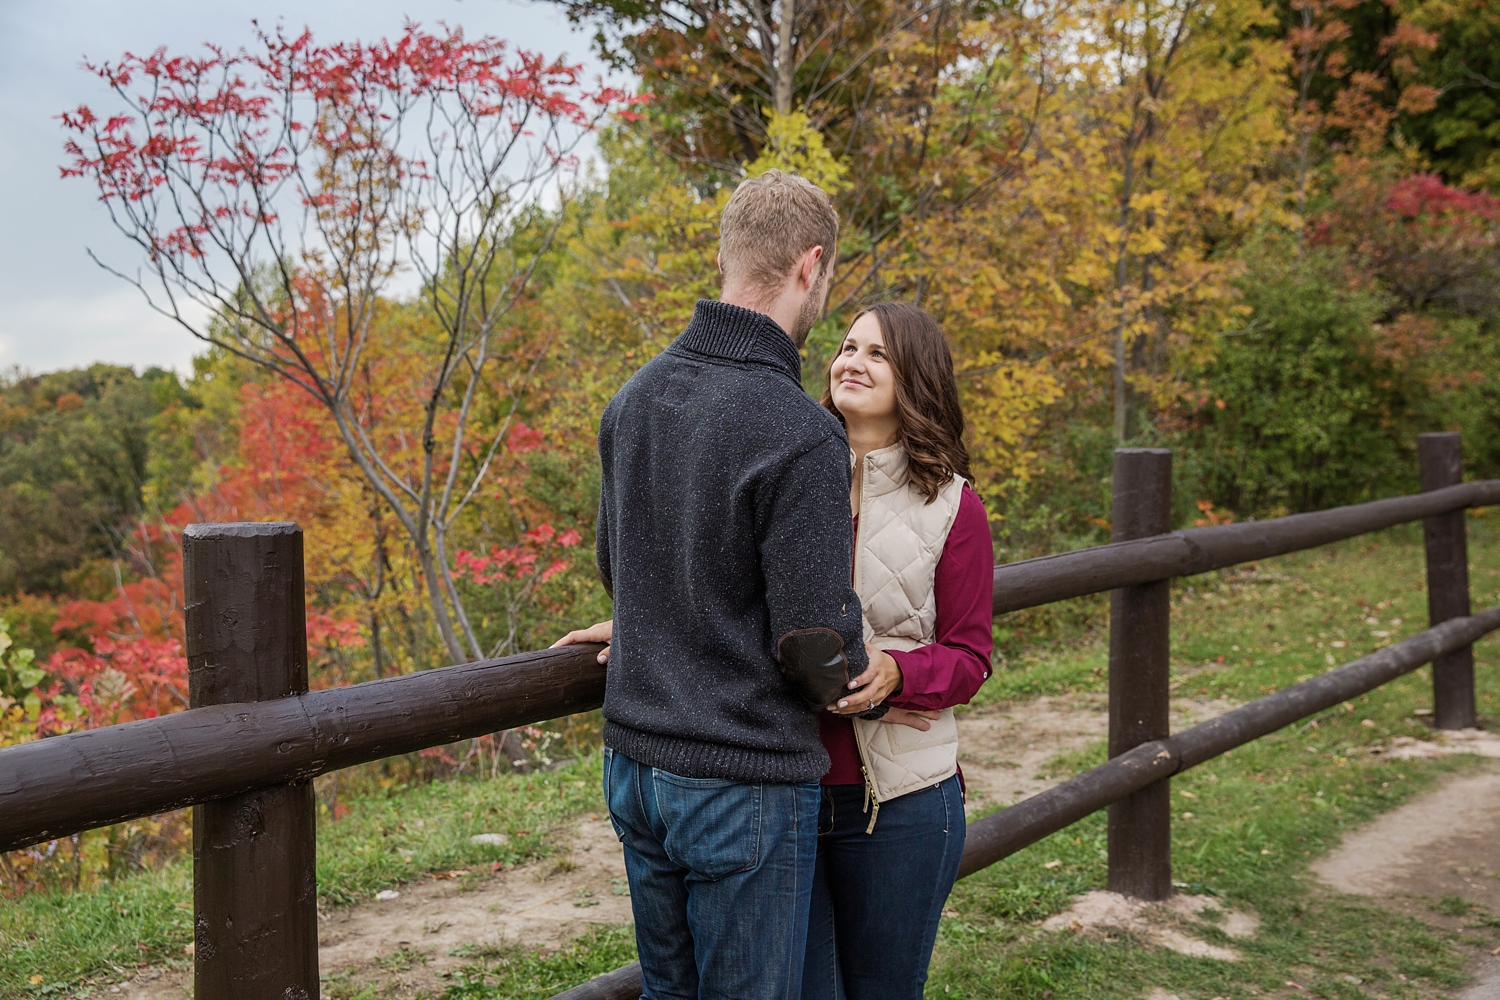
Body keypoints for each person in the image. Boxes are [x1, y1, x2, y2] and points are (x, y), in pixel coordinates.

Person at [552, 170, 889, 1000]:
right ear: (811, 266)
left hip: (636, 765)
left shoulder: (632, 401)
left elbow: (616, 570)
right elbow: (812, 645)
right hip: (741, 778)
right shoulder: (801, 431)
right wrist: (868, 669)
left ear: (725, 257)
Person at [803, 302, 995, 1000]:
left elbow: (970, 657)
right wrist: (641, 621)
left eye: (877, 353)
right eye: (847, 346)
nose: (851, 361)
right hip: (785, 793)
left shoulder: (952, 507)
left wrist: (899, 672)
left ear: (914, 377)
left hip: (902, 805)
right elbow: (726, 594)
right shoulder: (787, 481)